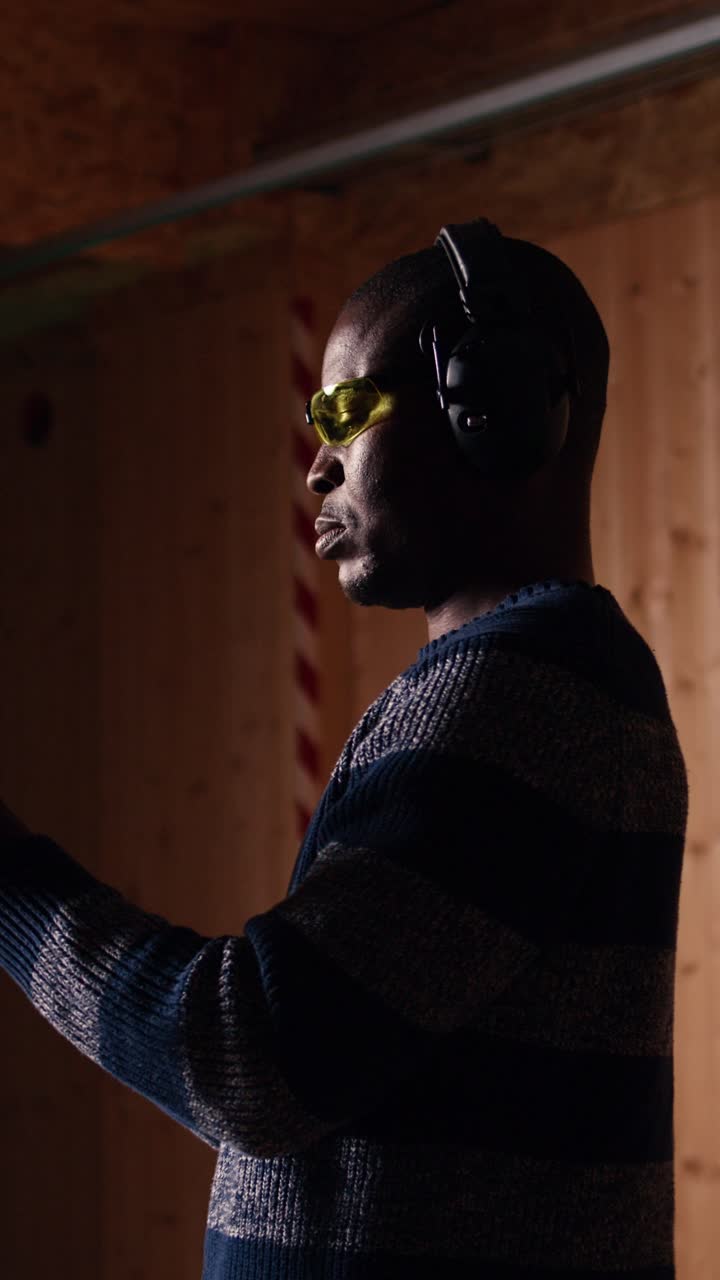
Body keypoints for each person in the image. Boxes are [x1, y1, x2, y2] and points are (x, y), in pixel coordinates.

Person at [0, 218, 687, 1279]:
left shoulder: (524, 696)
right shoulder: (528, 684)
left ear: (488, 412)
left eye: (346, 410)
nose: (318, 465)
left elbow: (252, 1057)